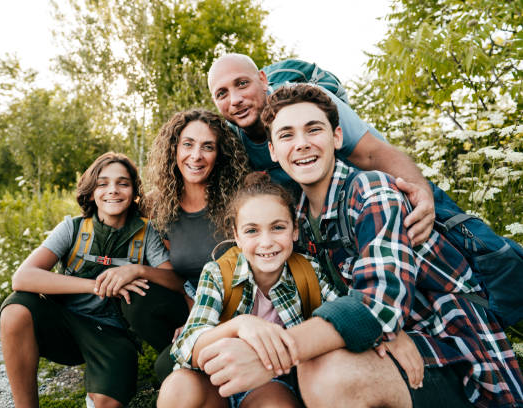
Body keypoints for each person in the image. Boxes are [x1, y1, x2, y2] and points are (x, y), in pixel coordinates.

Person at [197, 84, 523, 407]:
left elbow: (381, 305)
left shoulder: (372, 191)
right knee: (317, 360)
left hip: (460, 353)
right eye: (286, 135)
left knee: (325, 372)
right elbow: (328, 298)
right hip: (393, 343)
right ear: (272, 150)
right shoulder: (299, 219)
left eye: (314, 130)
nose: (301, 144)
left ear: (337, 137)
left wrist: (274, 353)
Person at [158, 172, 423, 408]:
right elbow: (186, 345)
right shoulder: (217, 272)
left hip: (271, 382)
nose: (266, 242)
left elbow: (344, 313)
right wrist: (240, 325)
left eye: (278, 228)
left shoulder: (308, 270)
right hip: (217, 382)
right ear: (236, 236)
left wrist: (384, 331)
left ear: (295, 230)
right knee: (178, 387)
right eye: (252, 231)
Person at [0, 152, 181, 408]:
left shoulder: (147, 232)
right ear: (91, 190)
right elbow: (22, 277)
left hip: (111, 334)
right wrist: (97, 286)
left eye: (123, 183)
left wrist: (140, 271)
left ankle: (97, 387)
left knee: (108, 403)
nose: (113, 191)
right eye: (103, 183)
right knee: (15, 309)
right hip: (65, 326)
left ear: (133, 191)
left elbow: (175, 281)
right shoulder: (72, 228)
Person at [207, 53, 435, 247]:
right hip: (316, 224)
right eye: (222, 93)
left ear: (263, 79)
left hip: (370, 198)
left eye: (242, 84)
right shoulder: (231, 140)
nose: (235, 99)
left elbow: (373, 153)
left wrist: (423, 193)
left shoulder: (309, 103)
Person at [122, 109, 249, 381]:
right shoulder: (160, 204)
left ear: (220, 155)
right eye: (188, 144)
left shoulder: (239, 201)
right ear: (174, 149)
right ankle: (183, 351)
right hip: (190, 301)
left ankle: (202, 360)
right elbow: (175, 272)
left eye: (208, 147)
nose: (196, 156)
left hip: (235, 306)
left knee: (165, 370)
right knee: (137, 299)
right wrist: (192, 316)